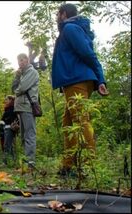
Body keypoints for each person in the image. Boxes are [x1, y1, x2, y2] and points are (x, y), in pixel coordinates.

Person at [52, 3, 109, 176]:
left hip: (76, 80)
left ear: (63, 14)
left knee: (81, 121)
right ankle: (68, 166)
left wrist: (101, 78)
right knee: (68, 123)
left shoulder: (70, 28)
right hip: (74, 80)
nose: (56, 17)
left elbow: (88, 54)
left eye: (57, 14)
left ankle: (88, 165)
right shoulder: (72, 29)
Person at [12, 53, 39, 171]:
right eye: (19, 61)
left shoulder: (32, 72)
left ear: (27, 60)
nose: (20, 63)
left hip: (28, 107)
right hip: (21, 107)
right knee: (23, 136)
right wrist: (17, 77)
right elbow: (15, 88)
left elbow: (21, 89)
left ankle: (31, 164)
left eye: (22, 60)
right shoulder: (22, 74)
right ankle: (26, 163)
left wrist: (17, 91)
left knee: (29, 135)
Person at [1, 95, 19, 165]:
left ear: (11, 100)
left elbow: (17, 119)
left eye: (7, 100)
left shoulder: (14, 109)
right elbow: (2, 119)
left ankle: (4, 162)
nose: (5, 101)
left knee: (6, 145)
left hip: (10, 129)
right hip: (6, 128)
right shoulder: (7, 109)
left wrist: (16, 125)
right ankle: (14, 161)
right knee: (10, 146)